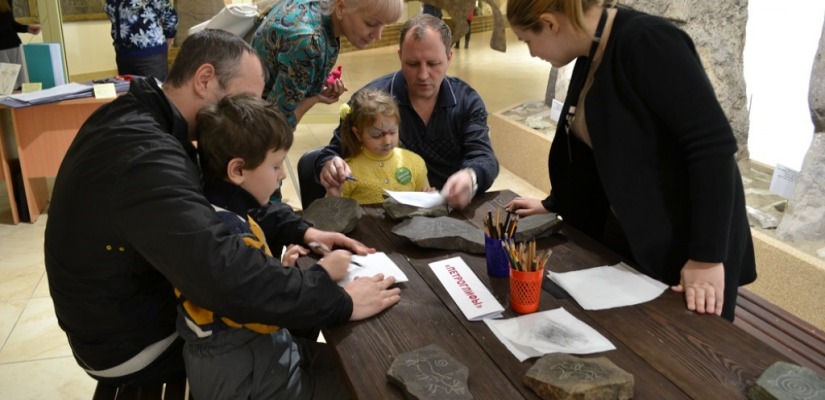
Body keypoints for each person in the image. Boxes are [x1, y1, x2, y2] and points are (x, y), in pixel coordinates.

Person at [44, 29, 401, 390]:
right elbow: (225, 276)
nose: (248, 115)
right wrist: (334, 297)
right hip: (132, 342)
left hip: (125, 308)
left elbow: (222, 197)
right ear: (204, 79)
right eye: (245, 99)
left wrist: (301, 230)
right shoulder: (146, 156)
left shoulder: (155, 117)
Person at [504, 0, 756, 321]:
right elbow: (594, 148)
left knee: (688, 354)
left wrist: (705, 259)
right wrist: (557, 202)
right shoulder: (589, 50)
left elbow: (712, 149)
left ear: (551, 23)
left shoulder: (649, 42)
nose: (531, 53)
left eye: (528, 40)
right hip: (637, 233)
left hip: (689, 246)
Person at [181, 93, 350, 398]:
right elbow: (265, 314)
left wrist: (278, 269)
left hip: (254, 354)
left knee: (350, 367)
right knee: (359, 385)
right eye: (275, 166)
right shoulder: (228, 236)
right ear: (237, 171)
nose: (283, 174)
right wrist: (321, 276)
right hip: (241, 377)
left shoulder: (221, 210)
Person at [313, 13, 499, 210]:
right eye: (412, 64)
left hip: (448, 211)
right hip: (382, 217)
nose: (423, 75)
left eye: (433, 63)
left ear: (449, 57)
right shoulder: (370, 102)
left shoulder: (467, 102)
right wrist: (329, 166)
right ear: (400, 56)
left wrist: (470, 177)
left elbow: (484, 158)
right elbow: (331, 153)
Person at [250, 0, 403, 129]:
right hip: (250, 127)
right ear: (341, 7)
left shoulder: (315, 9)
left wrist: (317, 83)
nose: (378, 35)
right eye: (371, 24)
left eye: (384, 25)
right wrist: (314, 97)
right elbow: (275, 128)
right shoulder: (310, 42)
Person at [336, 89, 430, 204]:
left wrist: (429, 197)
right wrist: (334, 193)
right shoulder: (348, 172)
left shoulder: (415, 163)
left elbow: (424, 203)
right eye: (376, 135)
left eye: (393, 132)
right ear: (358, 133)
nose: (387, 141)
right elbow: (334, 211)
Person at [104, 0, 178, 81]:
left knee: (153, 91)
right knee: (128, 91)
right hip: (123, 55)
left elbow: (170, 16)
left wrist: (169, 38)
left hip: (150, 56)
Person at [0, 0, 40, 89]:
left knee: (20, 87)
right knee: (5, 89)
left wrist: (27, 28)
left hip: (14, 46)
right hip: (1, 52)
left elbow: (10, 23)